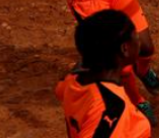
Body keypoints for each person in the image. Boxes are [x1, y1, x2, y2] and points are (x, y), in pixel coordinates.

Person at [56, 10, 151, 138]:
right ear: (125, 49)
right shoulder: (112, 108)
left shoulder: (72, 81)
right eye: (136, 37)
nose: (140, 42)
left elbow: (60, 90)